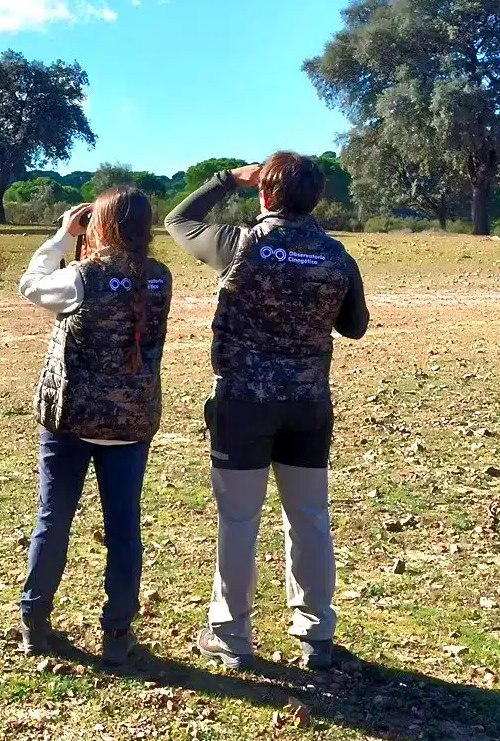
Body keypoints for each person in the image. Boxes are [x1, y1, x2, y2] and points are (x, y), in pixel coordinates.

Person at [165, 152, 369, 670]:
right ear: (316, 197)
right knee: (309, 517)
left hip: (243, 404)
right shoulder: (336, 256)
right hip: (307, 403)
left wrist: (225, 178)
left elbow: (179, 221)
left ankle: (232, 636)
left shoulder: (239, 245)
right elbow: (355, 326)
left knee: (238, 518)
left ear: (263, 193)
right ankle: (316, 633)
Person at [17, 186, 173, 666]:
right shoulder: (160, 277)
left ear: (100, 225)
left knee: (54, 519)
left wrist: (64, 236)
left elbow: (31, 284)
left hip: (70, 420)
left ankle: (34, 622)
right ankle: (117, 632)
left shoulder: (82, 277)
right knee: (124, 528)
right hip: (131, 421)